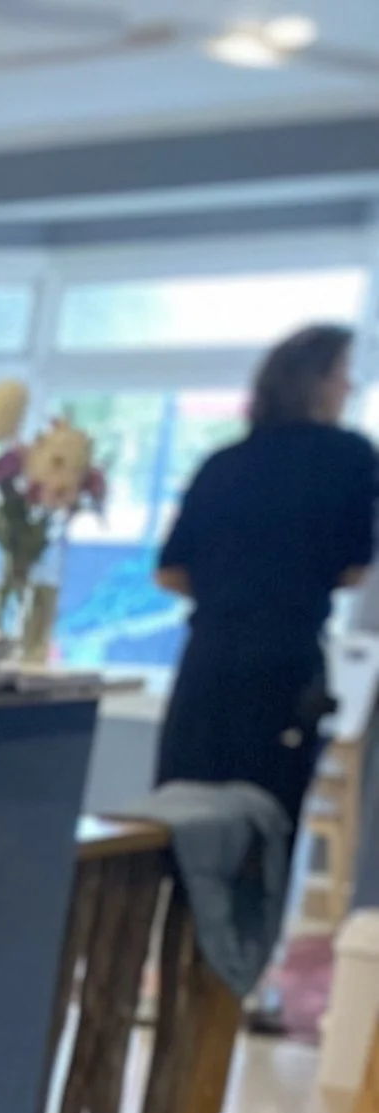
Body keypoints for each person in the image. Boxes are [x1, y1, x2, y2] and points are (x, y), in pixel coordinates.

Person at [156, 321, 377, 837]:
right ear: (317, 382)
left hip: (207, 663)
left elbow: (170, 572)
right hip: (284, 662)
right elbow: (354, 567)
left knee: (181, 817)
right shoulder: (349, 456)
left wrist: (232, 588)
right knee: (265, 827)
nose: (350, 387)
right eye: (344, 373)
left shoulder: (221, 463)